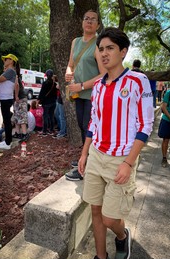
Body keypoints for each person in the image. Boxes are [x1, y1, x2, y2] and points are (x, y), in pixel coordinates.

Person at [78, 27, 154, 259]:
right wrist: (84, 154)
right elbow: (94, 121)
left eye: (109, 48)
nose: (103, 53)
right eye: (100, 49)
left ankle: (121, 236)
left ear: (123, 51)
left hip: (121, 158)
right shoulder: (99, 85)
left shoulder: (138, 81)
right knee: (95, 210)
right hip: (96, 155)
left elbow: (145, 125)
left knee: (111, 218)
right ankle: (101, 258)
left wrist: (128, 163)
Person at [65, 9, 106, 180]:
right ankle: (86, 158)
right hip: (78, 94)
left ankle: (88, 167)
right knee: (83, 127)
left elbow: (104, 74)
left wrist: (81, 86)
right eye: (86, 18)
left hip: (93, 95)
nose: (89, 21)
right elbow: (70, 64)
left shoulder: (99, 44)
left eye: (93, 19)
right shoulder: (75, 42)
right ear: (82, 22)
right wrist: (68, 73)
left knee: (89, 128)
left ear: (97, 24)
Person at [0, 53, 18, 150]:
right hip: (6, 98)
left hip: (5, 98)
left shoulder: (10, 71)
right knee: (7, 120)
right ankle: (7, 141)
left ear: (11, 61)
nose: (4, 61)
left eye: (6, 59)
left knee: (7, 121)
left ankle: (7, 142)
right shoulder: (10, 71)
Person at [37, 69, 57, 136]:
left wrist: (38, 100)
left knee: (45, 116)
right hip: (53, 102)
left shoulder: (45, 83)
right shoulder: (54, 84)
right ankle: (51, 129)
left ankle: (44, 130)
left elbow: (41, 93)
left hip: (46, 103)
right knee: (51, 116)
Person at [12, 62, 29, 142]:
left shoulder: (14, 74)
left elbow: (17, 85)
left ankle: (25, 134)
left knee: (21, 117)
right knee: (17, 117)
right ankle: (17, 133)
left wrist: (16, 96)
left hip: (20, 98)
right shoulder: (16, 74)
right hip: (18, 99)